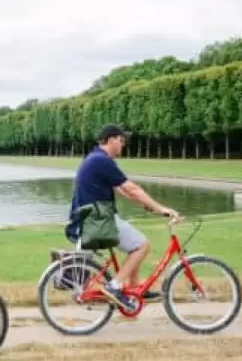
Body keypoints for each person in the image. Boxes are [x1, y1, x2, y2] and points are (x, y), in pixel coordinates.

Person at [67, 124, 180, 312]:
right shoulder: (102, 161)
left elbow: (123, 190)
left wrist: (148, 206)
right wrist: (161, 208)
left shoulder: (95, 158)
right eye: (121, 140)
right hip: (97, 220)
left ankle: (136, 290)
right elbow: (132, 188)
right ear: (111, 140)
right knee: (142, 246)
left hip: (93, 218)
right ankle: (115, 286)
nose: (123, 144)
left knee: (134, 244)